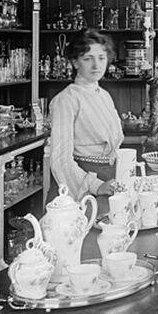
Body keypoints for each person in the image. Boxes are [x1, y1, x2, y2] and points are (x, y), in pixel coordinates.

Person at [48, 29, 123, 200]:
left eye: (101, 58)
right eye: (88, 59)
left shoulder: (104, 95)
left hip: (109, 184)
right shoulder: (66, 99)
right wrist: (96, 186)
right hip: (80, 189)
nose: (96, 65)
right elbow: (60, 161)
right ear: (75, 62)